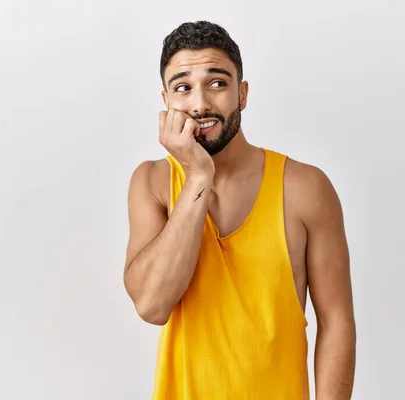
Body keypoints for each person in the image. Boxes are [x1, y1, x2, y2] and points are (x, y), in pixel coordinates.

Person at [123, 20, 356, 400]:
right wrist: (199, 176)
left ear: (242, 94)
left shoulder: (305, 188)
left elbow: (336, 322)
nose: (200, 103)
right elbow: (152, 305)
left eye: (217, 83)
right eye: (183, 87)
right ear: (166, 102)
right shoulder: (151, 183)